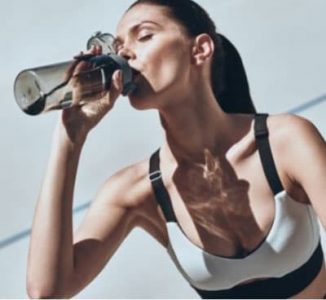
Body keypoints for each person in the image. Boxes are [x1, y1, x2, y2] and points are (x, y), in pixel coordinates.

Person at [26, 0, 326, 298]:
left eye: (144, 36)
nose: (124, 53)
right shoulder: (136, 190)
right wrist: (70, 137)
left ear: (200, 49)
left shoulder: (284, 142)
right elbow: (47, 290)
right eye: (117, 48)